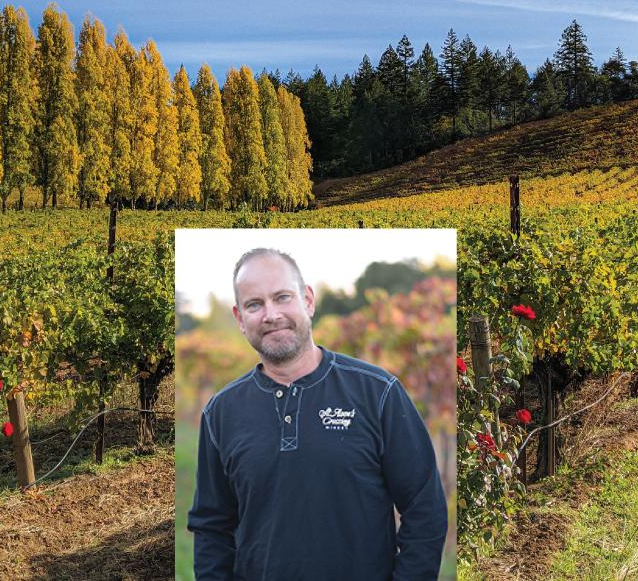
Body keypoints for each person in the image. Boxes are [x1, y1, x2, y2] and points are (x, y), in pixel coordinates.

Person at [188, 247, 447, 581]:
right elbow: (211, 527)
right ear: (240, 318)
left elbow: (424, 508)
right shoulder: (221, 412)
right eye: (255, 304)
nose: (270, 314)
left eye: (282, 297)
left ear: (307, 300)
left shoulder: (378, 392)